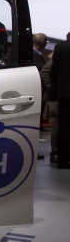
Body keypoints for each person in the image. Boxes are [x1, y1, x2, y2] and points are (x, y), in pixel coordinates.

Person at [49, 31, 70, 169]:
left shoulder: (60, 47)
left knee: (63, 127)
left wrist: (55, 91)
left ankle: (62, 159)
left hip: (64, 93)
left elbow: (53, 72)